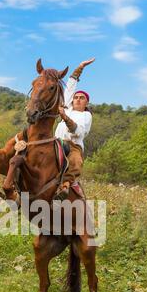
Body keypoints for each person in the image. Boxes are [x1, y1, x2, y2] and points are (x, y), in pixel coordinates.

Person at [54, 57, 95, 200]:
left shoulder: (86, 116)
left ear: (86, 102)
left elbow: (78, 131)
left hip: (73, 146)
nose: (77, 99)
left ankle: (65, 185)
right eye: (76, 97)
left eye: (81, 98)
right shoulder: (68, 107)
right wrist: (80, 67)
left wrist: (65, 117)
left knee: (76, 161)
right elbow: (70, 85)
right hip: (56, 141)